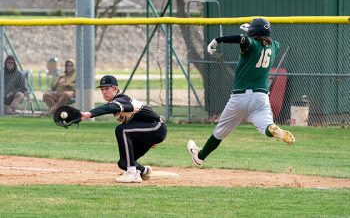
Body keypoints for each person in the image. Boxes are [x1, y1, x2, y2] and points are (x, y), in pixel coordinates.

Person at [187, 18, 295, 166]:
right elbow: (264, 40)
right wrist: (252, 32)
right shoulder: (274, 46)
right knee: (266, 125)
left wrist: (217, 40)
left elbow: (242, 39)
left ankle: (199, 157)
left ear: (253, 33)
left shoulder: (251, 45)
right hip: (261, 97)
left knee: (220, 132)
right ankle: (273, 129)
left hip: (240, 97)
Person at [80, 75, 167, 183]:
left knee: (121, 130)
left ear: (116, 89)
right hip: (148, 131)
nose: (104, 92)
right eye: (102, 89)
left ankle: (132, 173)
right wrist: (147, 138)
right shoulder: (115, 103)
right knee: (123, 162)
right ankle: (144, 171)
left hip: (156, 127)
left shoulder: (122, 100)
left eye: (107, 89)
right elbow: (135, 122)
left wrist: (88, 114)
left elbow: (111, 107)